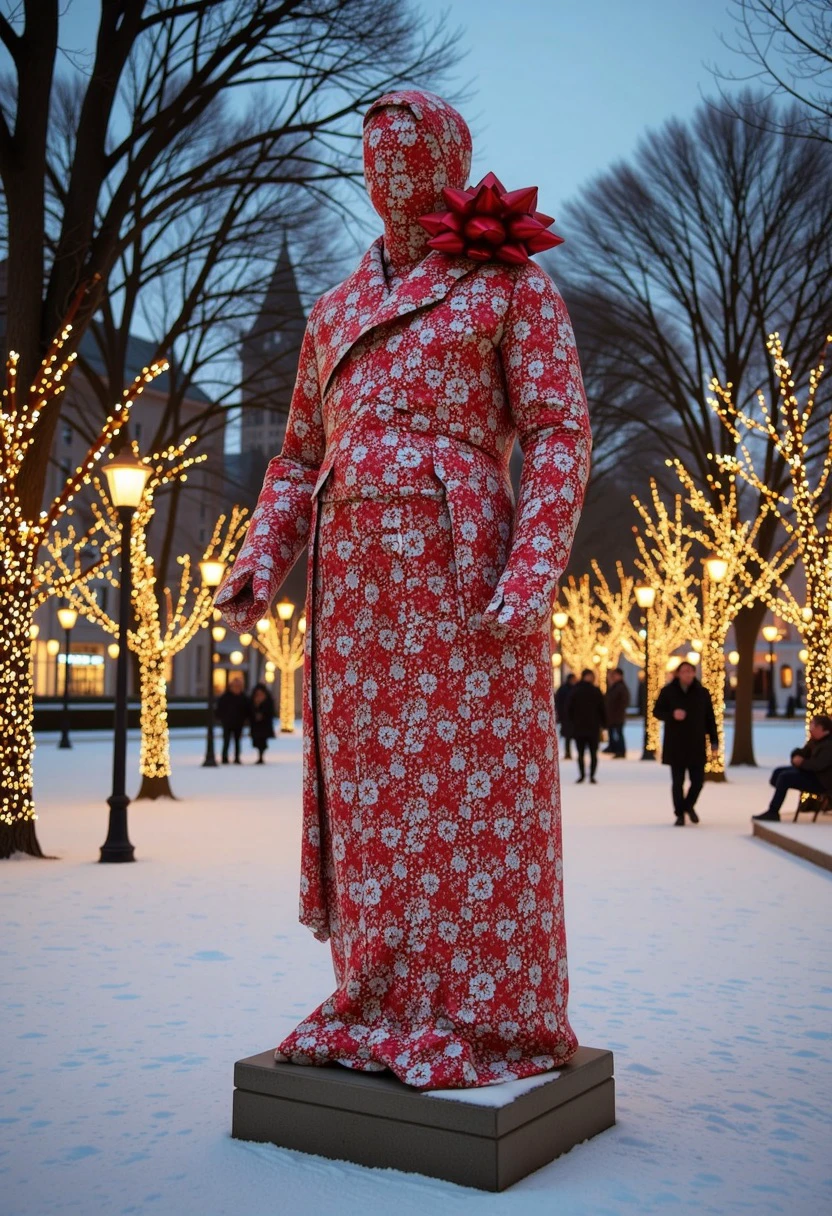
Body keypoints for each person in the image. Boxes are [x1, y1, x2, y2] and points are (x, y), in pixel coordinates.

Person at [214, 90, 591, 1089]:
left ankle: (484, 1007)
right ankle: (375, 989)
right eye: (373, 156)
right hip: (354, 598)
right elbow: (298, 453)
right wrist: (261, 558)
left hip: (461, 575)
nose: (388, 172)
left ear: (450, 159)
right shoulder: (335, 309)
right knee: (373, 795)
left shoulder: (509, 284)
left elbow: (557, 428)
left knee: (471, 792)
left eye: (409, 153)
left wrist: (532, 561)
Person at [653, 661, 718, 826]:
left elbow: (710, 718)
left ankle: (687, 806)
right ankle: (679, 813)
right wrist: (672, 715)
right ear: (678, 674)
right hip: (676, 743)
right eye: (684, 671)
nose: (687, 674)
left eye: (690, 671)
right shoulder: (668, 691)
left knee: (698, 781)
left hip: (696, 743)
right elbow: (657, 711)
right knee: (677, 782)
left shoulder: (702, 693)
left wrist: (714, 741)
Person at [752, 714, 832, 822]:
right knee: (778, 773)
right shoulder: (815, 741)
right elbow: (803, 752)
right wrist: (796, 756)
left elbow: (818, 765)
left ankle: (773, 811)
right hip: (811, 774)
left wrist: (802, 762)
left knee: (785, 777)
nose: (810, 728)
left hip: (821, 781)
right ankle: (780, 793)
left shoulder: (828, 745)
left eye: (812, 725)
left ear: (820, 728)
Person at [569, 669, 606, 784]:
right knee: (587, 753)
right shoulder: (591, 691)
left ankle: (587, 775)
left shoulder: (577, 690)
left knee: (588, 753)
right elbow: (602, 709)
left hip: (586, 726)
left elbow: (602, 709)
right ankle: (586, 775)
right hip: (587, 726)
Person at [216, 675, 250, 765]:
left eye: (238, 686)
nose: (236, 688)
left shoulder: (243, 698)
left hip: (239, 723)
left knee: (237, 741)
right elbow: (220, 709)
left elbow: (247, 710)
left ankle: (237, 757)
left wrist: (245, 719)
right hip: (227, 722)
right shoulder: (225, 697)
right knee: (226, 740)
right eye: (235, 686)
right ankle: (224, 757)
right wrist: (222, 718)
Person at [603, 668, 630, 758]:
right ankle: (614, 747)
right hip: (613, 715)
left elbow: (623, 702)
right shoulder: (614, 686)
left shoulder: (620, 687)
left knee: (618, 733)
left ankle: (620, 751)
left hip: (617, 715)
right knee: (614, 732)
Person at [249, 682, 276, 764]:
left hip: (264, 724)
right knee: (257, 740)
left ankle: (261, 756)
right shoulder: (253, 700)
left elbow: (270, 711)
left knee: (262, 740)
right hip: (256, 725)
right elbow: (250, 709)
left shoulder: (267, 700)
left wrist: (262, 715)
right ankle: (259, 755)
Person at [554, 673, 577, 759]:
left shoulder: (571, 688)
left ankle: (569, 752)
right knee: (568, 735)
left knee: (569, 735)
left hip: (569, 715)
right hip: (567, 716)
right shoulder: (566, 689)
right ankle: (568, 752)